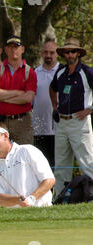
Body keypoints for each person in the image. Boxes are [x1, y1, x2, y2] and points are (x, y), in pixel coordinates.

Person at [49, 37, 93, 193]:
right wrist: (55, 107)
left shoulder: (87, 72)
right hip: (62, 122)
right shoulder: (60, 72)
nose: (69, 55)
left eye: (73, 51)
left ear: (78, 53)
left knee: (87, 162)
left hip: (79, 122)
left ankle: (91, 196)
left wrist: (89, 110)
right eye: (67, 52)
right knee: (61, 164)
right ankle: (60, 197)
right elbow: (52, 89)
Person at [0, 123, 55, 208]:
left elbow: (49, 180)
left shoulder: (27, 150)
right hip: (13, 217)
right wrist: (18, 200)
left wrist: (32, 198)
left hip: (42, 210)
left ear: (5, 136)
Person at [0, 35, 37, 145]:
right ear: (5, 50)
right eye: (10, 47)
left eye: (16, 47)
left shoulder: (29, 72)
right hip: (0, 122)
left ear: (22, 49)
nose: (13, 50)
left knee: (24, 155)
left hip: (22, 122)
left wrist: (3, 97)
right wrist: (16, 93)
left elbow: (28, 97)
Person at [33, 39, 60, 167]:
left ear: (57, 54)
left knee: (57, 164)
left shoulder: (63, 72)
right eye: (45, 52)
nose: (48, 55)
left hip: (58, 128)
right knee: (41, 165)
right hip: (39, 128)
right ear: (41, 53)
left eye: (52, 52)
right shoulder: (34, 73)